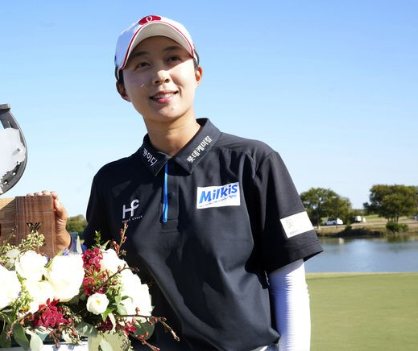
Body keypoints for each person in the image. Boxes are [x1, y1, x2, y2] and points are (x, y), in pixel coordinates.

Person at [35, 14, 323, 351]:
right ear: (122, 89)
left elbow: (287, 282)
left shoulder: (253, 161)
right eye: (141, 64)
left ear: (197, 74)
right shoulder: (111, 182)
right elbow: (92, 281)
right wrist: (59, 240)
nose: (160, 75)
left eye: (173, 59)